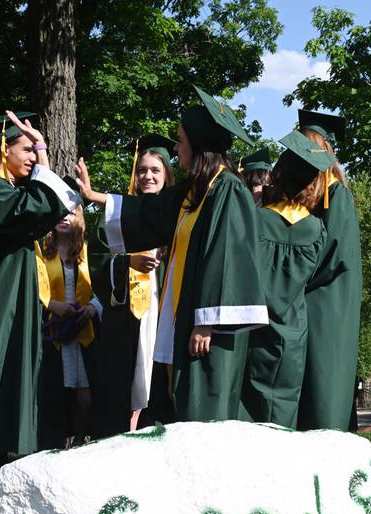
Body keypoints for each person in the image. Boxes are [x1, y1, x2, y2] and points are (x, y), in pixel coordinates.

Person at [77, 86, 268, 422]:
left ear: (198, 143)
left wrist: (207, 323)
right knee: (179, 399)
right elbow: (151, 211)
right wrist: (96, 196)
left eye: (180, 140)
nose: (176, 147)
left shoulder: (227, 190)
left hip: (206, 327)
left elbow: (225, 258)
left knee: (204, 402)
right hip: (184, 318)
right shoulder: (195, 191)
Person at [0, 111, 82, 471]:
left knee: (13, 373)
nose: (33, 157)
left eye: (35, 151)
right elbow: (34, 205)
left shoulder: (8, 189)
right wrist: (46, 163)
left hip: (14, 302)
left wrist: (43, 160)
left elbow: (49, 206)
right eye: (27, 149)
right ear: (4, 149)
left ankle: (6, 460)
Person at [240, 131, 336, 428]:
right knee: (283, 415)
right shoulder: (317, 230)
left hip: (255, 330)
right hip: (294, 334)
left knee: (249, 417)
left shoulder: (255, 221)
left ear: (277, 176)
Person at [93, 134, 175, 435]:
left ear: (167, 173)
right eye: (142, 170)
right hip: (124, 314)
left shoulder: (177, 214)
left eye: (155, 170)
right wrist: (127, 262)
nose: (147, 176)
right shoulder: (117, 215)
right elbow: (97, 259)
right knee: (122, 378)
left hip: (163, 309)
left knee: (157, 378)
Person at [294, 109, 363, 431]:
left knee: (326, 373)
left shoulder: (337, 194)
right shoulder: (312, 195)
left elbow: (334, 255)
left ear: (324, 151)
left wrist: (291, 279)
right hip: (312, 296)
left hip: (328, 300)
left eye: (308, 145)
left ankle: (331, 438)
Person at [38, 204, 102, 448]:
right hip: (51, 330)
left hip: (82, 331)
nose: (65, 217)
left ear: (80, 217)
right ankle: (54, 444)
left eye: (71, 212)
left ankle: (79, 442)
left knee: (85, 396)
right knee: (57, 392)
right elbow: (31, 287)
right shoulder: (40, 251)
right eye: (60, 211)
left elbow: (104, 285)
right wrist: (51, 305)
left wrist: (93, 307)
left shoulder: (89, 250)